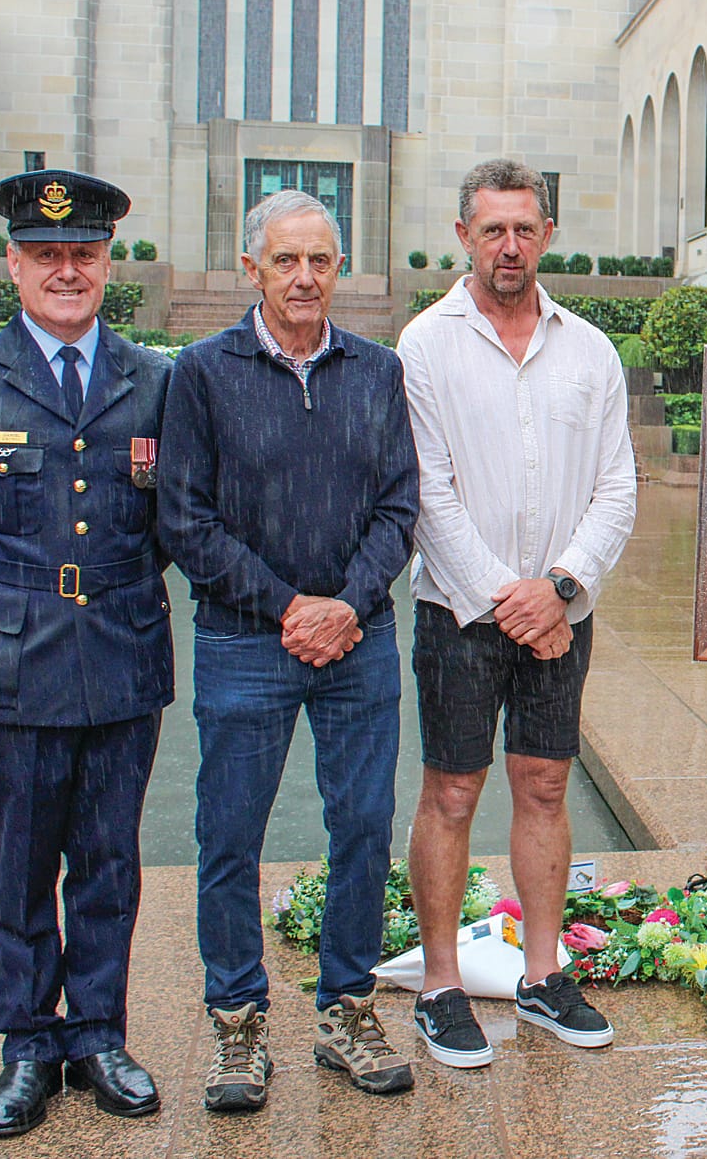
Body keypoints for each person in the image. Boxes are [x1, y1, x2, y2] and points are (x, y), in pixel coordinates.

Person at [0, 170, 170, 1137]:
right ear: (13, 261)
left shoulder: (156, 380)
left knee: (108, 863)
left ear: (107, 264)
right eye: (45, 254)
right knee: (19, 868)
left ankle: (97, 1033)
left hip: (122, 662)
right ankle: (27, 1043)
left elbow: (175, 518)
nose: (66, 271)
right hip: (4, 675)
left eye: (83, 254)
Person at [157, 189, 419, 1111]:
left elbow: (399, 508)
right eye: (285, 260)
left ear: (338, 268)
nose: (303, 277)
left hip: (361, 642)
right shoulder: (199, 372)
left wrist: (345, 605)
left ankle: (346, 1009)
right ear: (252, 268)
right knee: (228, 834)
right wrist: (287, 608)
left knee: (361, 830)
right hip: (242, 642)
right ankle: (236, 1025)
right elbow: (182, 515)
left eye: (319, 260)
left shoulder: (377, 371)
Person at [397, 160, 636, 1068]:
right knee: (452, 791)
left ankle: (542, 975)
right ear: (464, 234)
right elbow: (427, 490)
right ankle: (442, 986)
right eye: (492, 229)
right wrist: (515, 599)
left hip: (561, 612)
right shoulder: (425, 345)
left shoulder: (590, 350)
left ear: (547, 234)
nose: (509, 245)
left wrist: (562, 588)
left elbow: (618, 484)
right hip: (458, 613)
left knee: (542, 784)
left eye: (525, 228)